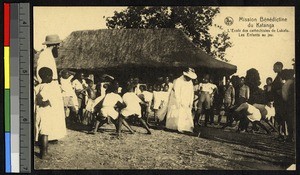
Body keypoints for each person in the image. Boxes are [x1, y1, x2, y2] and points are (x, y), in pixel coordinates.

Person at [35, 67, 67, 158]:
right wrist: (47, 102)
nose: (52, 78)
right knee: (44, 133)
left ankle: (43, 152)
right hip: (44, 112)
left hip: (40, 112)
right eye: (51, 76)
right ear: (47, 76)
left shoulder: (38, 86)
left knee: (43, 132)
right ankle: (44, 153)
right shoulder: (46, 86)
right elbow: (41, 98)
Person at [166, 68, 196, 133]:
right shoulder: (178, 81)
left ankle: (186, 127)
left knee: (186, 113)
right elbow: (177, 92)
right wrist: (179, 101)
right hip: (177, 99)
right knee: (177, 112)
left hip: (186, 99)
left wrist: (191, 102)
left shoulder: (190, 82)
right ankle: (176, 126)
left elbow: (191, 92)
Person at [271, 62, 285, 139]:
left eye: (274, 67)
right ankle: (280, 134)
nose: (273, 68)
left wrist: (277, 92)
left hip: (281, 101)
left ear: (279, 67)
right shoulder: (278, 76)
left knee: (281, 116)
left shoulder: (281, 76)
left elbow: (283, 88)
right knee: (279, 116)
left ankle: (283, 134)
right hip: (277, 100)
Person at [281, 69, 295, 142]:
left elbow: (285, 96)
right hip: (290, 104)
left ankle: (291, 136)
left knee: (290, 121)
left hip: (289, 104)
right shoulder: (291, 82)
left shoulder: (288, 83)